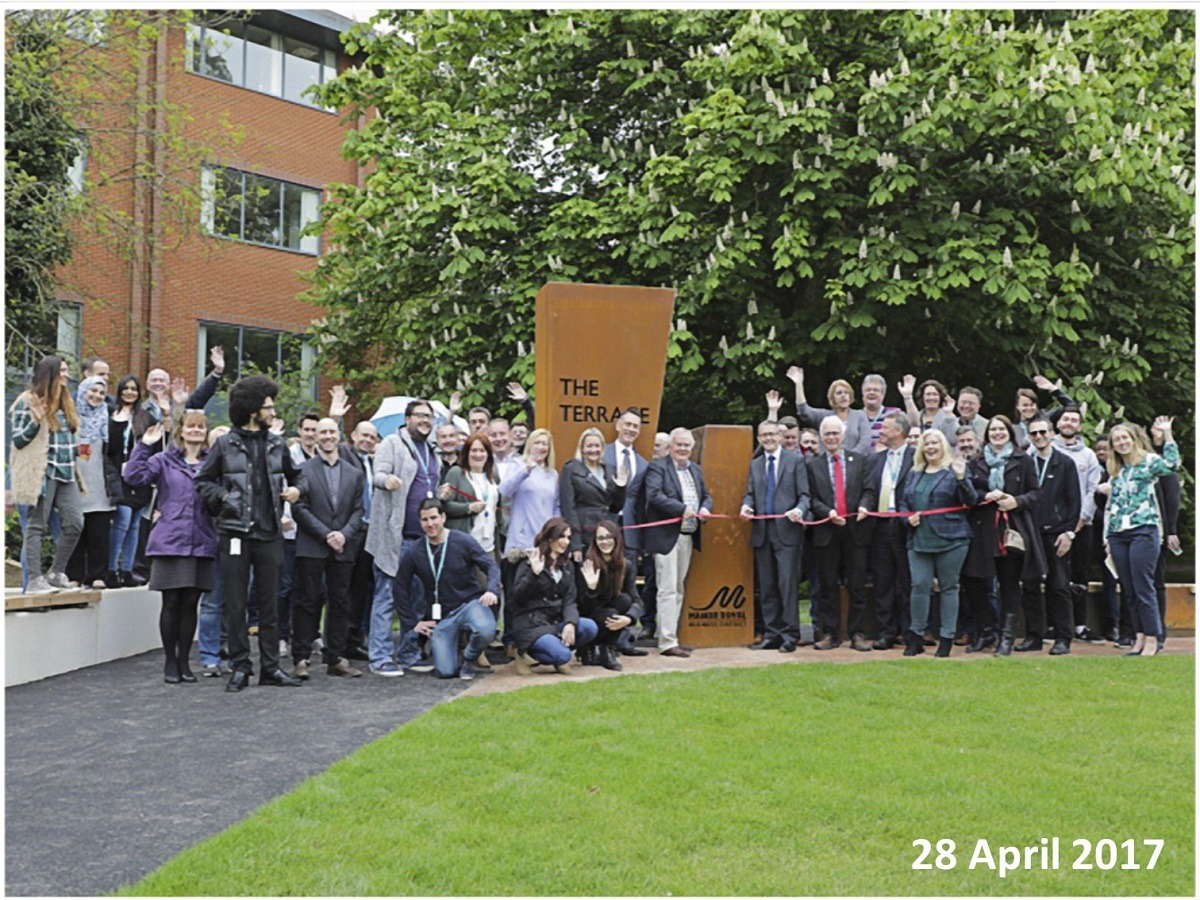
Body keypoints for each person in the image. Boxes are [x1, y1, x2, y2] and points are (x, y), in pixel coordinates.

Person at [195, 375, 303, 691]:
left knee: (270, 604)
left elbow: (300, 477)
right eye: (268, 406)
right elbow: (203, 482)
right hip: (235, 535)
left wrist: (296, 490)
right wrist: (226, 498)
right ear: (253, 409)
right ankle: (240, 667)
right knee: (236, 603)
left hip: (270, 534)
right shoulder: (225, 444)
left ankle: (270, 668)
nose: (273, 411)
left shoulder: (277, 444)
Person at [124, 412, 217, 683]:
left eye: (201, 427)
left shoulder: (212, 463)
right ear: (181, 430)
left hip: (201, 540)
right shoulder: (163, 460)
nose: (196, 431)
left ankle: (185, 662)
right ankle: (170, 662)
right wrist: (143, 446)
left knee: (191, 604)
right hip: (169, 540)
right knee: (171, 602)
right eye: (191, 426)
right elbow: (133, 476)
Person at [364, 398, 437, 676]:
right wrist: (388, 481)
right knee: (387, 598)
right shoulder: (392, 444)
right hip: (395, 537)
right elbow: (377, 475)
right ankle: (380, 657)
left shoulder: (432, 450)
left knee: (416, 600)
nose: (425, 421)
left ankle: (409, 653)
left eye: (429, 417)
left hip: (423, 539)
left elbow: (429, 483)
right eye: (420, 415)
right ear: (407, 419)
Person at [962, 415, 1046, 657]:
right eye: (993, 430)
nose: (997, 433)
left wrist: (1015, 501)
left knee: (1009, 584)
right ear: (987, 434)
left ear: (1010, 432)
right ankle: (986, 631)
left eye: (1002, 429)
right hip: (981, 528)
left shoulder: (1024, 460)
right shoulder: (977, 461)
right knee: (975, 581)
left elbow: (1036, 493)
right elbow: (969, 492)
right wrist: (983, 496)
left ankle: (1007, 637)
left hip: (1011, 528)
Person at [291, 418, 367, 679]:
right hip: (312, 545)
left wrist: (343, 534)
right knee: (307, 601)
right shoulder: (302, 469)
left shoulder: (355, 473)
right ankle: (300, 657)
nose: (326, 436)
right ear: (315, 437)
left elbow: (359, 510)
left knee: (341, 602)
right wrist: (326, 535)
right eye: (322, 432)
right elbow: (298, 507)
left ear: (339, 434)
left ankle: (336, 657)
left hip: (343, 547)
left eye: (331, 431)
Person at [1098, 418, 1179, 656]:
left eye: (1125, 438)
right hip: (1118, 534)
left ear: (1133, 440)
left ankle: (1154, 637)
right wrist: (1107, 538)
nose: (1122, 443)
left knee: (1144, 587)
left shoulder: (1148, 462)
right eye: (1117, 440)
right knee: (1129, 588)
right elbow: (1112, 506)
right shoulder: (1116, 470)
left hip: (1143, 530)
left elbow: (1172, 465)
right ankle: (1139, 637)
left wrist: (1168, 436)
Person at [395, 499, 500, 680]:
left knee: (485, 629)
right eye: (425, 520)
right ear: (420, 522)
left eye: (434, 518)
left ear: (443, 517)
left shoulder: (463, 541)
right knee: (445, 672)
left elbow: (490, 565)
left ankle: (469, 659)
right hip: (442, 616)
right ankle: (454, 653)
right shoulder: (415, 551)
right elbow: (399, 586)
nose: (430, 524)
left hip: (469, 605)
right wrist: (412, 622)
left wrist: (491, 590)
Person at [899, 430, 977, 657]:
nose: (930, 447)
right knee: (919, 586)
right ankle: (916, 635)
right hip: (919, 539)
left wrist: (962, 479)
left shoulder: (955, 470)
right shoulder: (914, 473)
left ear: (943, 446)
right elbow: (904, 503)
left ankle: (946, 638)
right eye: (926, 443)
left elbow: (970, 500)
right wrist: (907, 518)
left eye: (935, 443)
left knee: (949, 587)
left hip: (951, 540)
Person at [10, 356, 84, 595]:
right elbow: (18, 440)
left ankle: (56, 572)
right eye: (62, 371)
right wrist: (36, 419)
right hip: (42, 471)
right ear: (50, 374)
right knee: (36, 526)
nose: (66, 375)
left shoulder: (66, 401)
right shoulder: (27, 401)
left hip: (66, 471)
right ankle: (34, 580)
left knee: (75, 522)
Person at [805, 415, 877, 651]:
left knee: (857, 585)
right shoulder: (812, 464)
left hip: (856, 530)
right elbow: (811, 498)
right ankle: (830, 634)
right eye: (827, 434)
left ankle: (856, 633)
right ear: (821, 437)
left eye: (835, 433)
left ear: (843, 435)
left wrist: (865, 505)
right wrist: (827, 512)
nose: (831, 438)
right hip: (827, 531)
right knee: (827, 585)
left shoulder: (859, 460)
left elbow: (869, 490)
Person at [641, 427, 714, 657]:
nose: (683, 449)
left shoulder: (696, 470)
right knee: (667, 589)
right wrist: (683, 509)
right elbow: (653, 495)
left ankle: (673, 637)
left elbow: (707, 495)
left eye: (687, 446)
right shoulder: (657, 467)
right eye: (679, 445)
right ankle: (666, 642)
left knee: (679, 588)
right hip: (665, 537)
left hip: (688, 536)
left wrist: (704, 508)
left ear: (692, 449)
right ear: (671, 446)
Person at [740, 420, 809, 651]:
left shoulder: (796, 461)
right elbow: (750, 493)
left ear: (780, 437)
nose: (768, 439)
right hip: (762, 533)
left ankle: (790, 635)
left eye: (772, 434)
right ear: (759, 439)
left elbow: (805, 496)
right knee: (767, 586)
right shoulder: (756, 464)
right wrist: (746, 506)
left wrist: (799, 510)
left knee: (787, 586)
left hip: (787, 533)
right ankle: (772, 633)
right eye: (764, 435)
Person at [1021, 415, 1082, 655]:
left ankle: (1062, 638)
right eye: (1034, 433)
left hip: (1057, 534)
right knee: (1030, 585)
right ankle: (1034, 636)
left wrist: (1069, 533)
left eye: (1043, 432)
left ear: (1052, 433)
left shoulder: (1065, 463)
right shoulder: (1025, 462)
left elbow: (1074, 501)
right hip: (1030, 533)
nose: (1039, 437)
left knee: (1059, 586)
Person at [509, 517, 598, 674]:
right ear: (550, 538)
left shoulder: (567, 565)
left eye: (569, 537)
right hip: (531, 625)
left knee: (589, 627)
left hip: (555, 623)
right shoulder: (530, 561)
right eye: (562, 537)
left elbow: (570, 601)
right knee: (563, 655)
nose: (566, 541)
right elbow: (517, 597)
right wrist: (533, 574)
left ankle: (555, 652)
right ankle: (524, 653)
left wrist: (570, 623)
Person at [1052, 406, 1104, 642]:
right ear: (1058, 423)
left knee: (1080, 575)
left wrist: (1080, 520)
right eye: (1065, 419)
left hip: (1083, 524)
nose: (1069, 423)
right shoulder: (1046, 449)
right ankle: (1053, 625)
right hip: (1052, 524)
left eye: (1074, 420)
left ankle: (1081, 625)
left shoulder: (1089, 455)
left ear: (1080, 426)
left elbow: (1093, 490)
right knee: (1053, 575)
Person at [866, 412, 915, 649]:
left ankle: (909, 632)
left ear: (898, 431)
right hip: (880, 527)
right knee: (883, 582)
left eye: (885, 428)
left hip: (907, 528)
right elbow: (869, 491)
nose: (880, 432)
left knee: (907, 582)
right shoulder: (875, 460)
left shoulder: (917, 458)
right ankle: (886, 633)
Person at [65, 376, 120, 589]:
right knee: (75, 531)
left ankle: (98, 575)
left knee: (99, 534)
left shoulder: (109, 419)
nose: (96, 396)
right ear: (83, 391)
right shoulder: (71, 418)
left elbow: (115, 452)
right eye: (93, 391)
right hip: (76, 484)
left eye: (101, 393)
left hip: (100, 486)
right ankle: (74, 575)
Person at [107, 375, 153, 586]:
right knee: (122, 520)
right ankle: (111, 568)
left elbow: (156, 446)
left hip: (138, 475)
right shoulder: (111, 414)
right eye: (125, 388)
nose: (129, 392)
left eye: (134, 389)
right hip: (118, 474)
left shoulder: (146, 418)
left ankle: (127, 570)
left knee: (134, 524)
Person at [575, 520, 637, 670]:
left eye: (609, 537)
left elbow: (636, 600)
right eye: (600, 538)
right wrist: (591, 588)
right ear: (595, 542)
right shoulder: (587, 564)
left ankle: (607, 648)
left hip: (611, 613)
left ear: (616, 539)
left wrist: (629, 618)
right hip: (589, 616)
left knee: (625, 600)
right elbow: (581, 605)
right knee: (611, 611)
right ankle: (590, 647)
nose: (605, 542)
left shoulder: (625, 565)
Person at [560, 426, 627, 556]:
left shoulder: (608, 469)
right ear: (582, 448)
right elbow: (568, 508)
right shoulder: (571, 468)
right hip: (584, 533)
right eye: (589, 446)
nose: (593, 450)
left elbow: (615, 507)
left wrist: (621, 487)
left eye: (597, 446)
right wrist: (575, 543)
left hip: (605, 534)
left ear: (602, 447)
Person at [785, 366, 872, 455]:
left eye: (846, 392)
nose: (843, 395)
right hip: (827, 464)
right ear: (832, 397)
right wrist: (799, 384)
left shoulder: (860, 415)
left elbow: (865, 442)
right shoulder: (824, 416)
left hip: (854, 464)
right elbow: (803, 411)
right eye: (839, 393)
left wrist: (849, 458)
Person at [439, 431, 501, 552]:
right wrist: (469, 507)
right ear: (466, 453)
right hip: (464, 545)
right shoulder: (456, 473)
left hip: (488, 545)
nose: (478, 454)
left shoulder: (492, 476)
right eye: (474, 450)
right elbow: (445, 506)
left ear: (488, 454)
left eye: (482, 450)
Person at [901, 377, 958, 446]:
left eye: (935, 394)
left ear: (940, 397)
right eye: (928, 394)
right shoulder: (917, 416)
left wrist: (949, 414)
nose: (931, 398)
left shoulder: (949, 417)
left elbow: (954, 440)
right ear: (922, 397)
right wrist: (907, 397)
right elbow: (913, 424)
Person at [860, 373, 904, 451]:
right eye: (868, 390)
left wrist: (908, 397)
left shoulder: (895, 413)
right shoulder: (855, 416)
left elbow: (914, 426)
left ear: (883, 394)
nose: (871, 392)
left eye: (876, 390)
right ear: (863, 394)